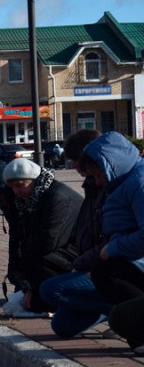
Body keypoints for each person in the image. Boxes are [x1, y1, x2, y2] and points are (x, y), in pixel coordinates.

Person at [39, 129, 112, 338]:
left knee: (51, 289)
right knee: (62, 326)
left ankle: (123, 312)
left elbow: (112, 238)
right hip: (92, 262)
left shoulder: (110, 187)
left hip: (111, 268)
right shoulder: (92, 185)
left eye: (77, 160)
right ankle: (110, 310)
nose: (74, 166)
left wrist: (83, 265)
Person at [2, 158, 82, 313]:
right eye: (12, 187)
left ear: (34, 180)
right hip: (57, 250)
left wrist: (30, 285)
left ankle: (51, 296)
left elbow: (47, 242)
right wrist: (18, 276)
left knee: (38, 258)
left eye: (20, 185)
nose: (16, 191)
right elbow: (20, 238)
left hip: (75, 253)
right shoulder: (30, 199)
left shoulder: (57, 197)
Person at [83, 132, 144, 326]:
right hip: (131, 258)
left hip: (134, 260)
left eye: (99, 174)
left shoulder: (139, 183)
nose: (99, 181)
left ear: (112, 165)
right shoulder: (124, 182)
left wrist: (112, 249)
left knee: (105, 274)